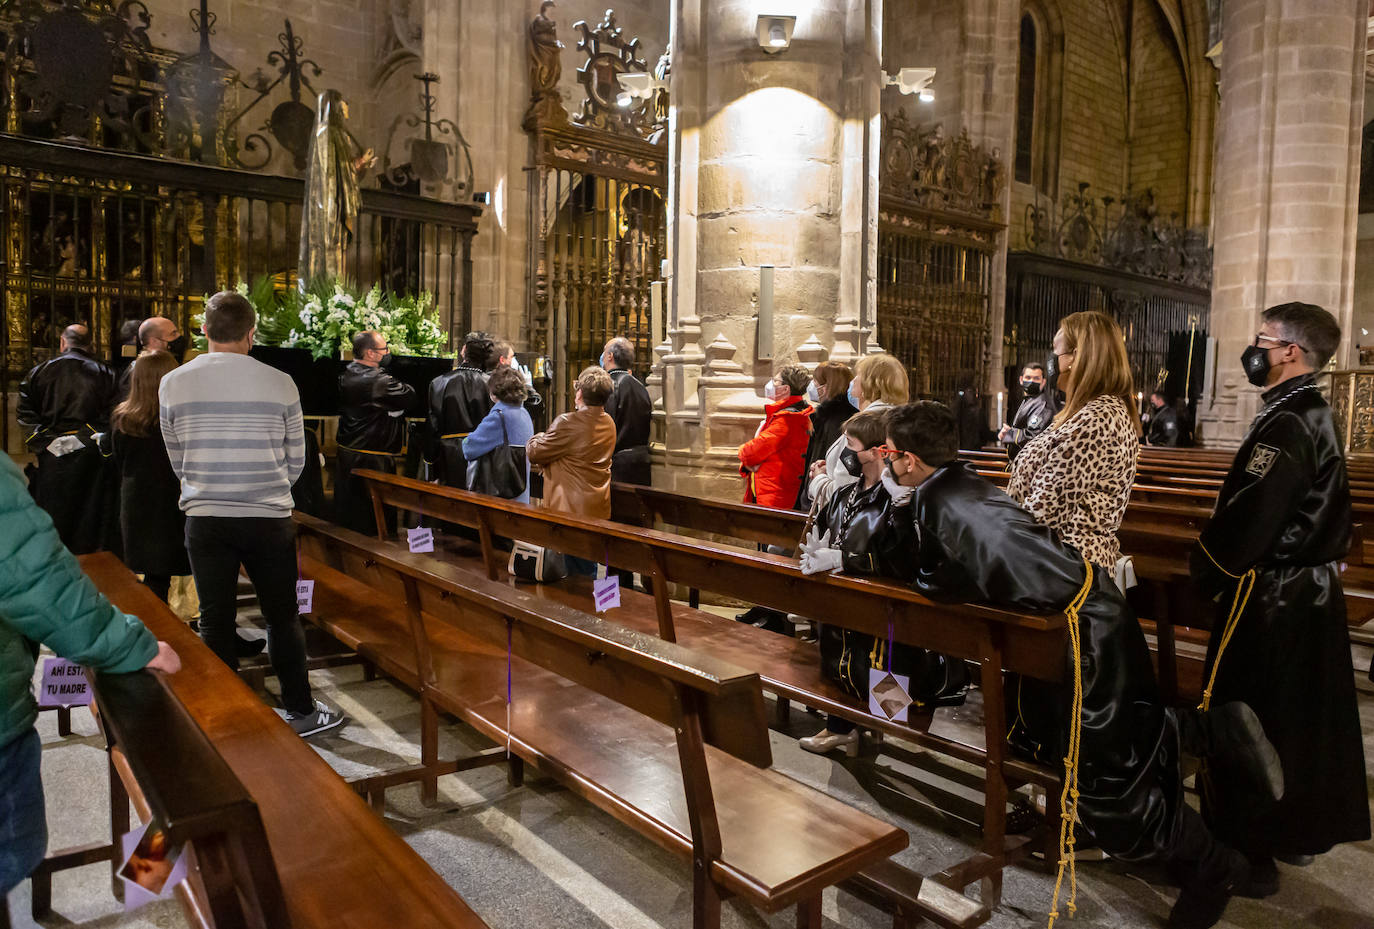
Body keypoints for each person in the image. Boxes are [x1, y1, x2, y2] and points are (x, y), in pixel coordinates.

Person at [881, 401, 1282, 929]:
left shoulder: (947, 502)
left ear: (908, 460)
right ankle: (1205, 731)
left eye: (888, 453)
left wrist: (929, 573)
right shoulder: (953, 486)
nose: (886, 462)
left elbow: (970, 566)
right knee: (1099, 748)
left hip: (1082, 629)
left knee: (1107, 777)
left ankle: (1216, 867)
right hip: (1086, 614)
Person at [1190, 302, 1369, 898]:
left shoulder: (1291, 419)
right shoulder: (1304, 410)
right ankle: (1288, 827)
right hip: (1303, 593)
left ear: (1291, 351)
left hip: (1274, 594)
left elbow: (1252, 516)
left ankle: (1249, 848)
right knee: (1295, 719)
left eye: (1263, 339)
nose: (1255, 349)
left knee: (1250, 715)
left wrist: (1207, 567)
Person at [159, 291, 344, 738]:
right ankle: (300, 710)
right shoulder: (279, 382)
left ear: (204, 331)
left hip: (205, 517)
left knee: (215, 620)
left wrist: (208, 483)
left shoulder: (174, 381)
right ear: (251, 333)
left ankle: (227, 716)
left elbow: (175, 455)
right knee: (281, 616)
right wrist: (267, 485)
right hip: (268, 517)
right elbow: (297, 458)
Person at [0, 453, 181, 903]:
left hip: (133, 521)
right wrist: (125, 644)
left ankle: (138, 880)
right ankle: (144, 880)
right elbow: (38, 581)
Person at [1006, 311, 1141, 575]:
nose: (1052, 362)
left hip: (1063, 566)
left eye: (1056, 353)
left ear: (1077, 358)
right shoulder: (1090, 412)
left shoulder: (1096, 420)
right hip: (1053, 559)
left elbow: (1044, 513)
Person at [17, 323, 119, 554]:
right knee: (89, 515)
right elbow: (114, 412)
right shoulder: (106, 373)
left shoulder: (38, 372)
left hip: (53, 456)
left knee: (55, 513)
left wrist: (45, 442)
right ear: (90, 344)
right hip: (90, 453)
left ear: (63, 342)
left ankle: (55, 558)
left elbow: (25, 413)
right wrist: (83, 437)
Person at [526, 366, 616, 576]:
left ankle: (580, 608)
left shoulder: (568, 422)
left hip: (569, 510)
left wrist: (536, 436)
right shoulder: (609, 422)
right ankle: (590, 607)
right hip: (596, 507)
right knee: (587, 566)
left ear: (580, 393)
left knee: (572, 574)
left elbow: (535, 453)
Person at [805, 353, 909, 511]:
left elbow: (842, 493)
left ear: (870, 384)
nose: (852, 381)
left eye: (858, 375)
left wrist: (819, 478)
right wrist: (832, 468)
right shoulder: (902, 423)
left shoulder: (863, 428)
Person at [335, 330, 415, 535]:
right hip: (373, 458)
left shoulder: (346, 374)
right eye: (384, 349)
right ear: (370, 353)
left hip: (348, 454)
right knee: (374, 522)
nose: (388, 352)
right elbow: (409, 396)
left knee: (350, 518)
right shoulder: (380, 381)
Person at [739, 364, 813, 508]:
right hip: (779, 490)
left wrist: (748, 460)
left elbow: (749, 452)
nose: (770, 384)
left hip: (775, 495)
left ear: (786, 389)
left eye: (775, 381)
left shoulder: (787, 419)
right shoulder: (800, 412)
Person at [427, 331, 495, 489]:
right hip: (483, 455)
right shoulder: (492, 384)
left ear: (464, 350)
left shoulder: (439, 383)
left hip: (448, 456)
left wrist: (430, 465)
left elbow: (432, 426)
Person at [463, 365, 535, 504]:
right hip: (520, 492)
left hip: (500, 495)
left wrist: (465, 439)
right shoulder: (524, 413)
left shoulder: (499, 417)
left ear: (494, 392)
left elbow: (469, 448)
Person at [795, 361, 855, 510]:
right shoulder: (826, 417)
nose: (812, 386)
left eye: (814, 382)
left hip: (822, 499)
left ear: (825, 387)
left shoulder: (837, 421)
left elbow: (829, 461)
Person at [600, 337, 652, 487]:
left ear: (609, 356)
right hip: (641, 463)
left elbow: (605, 428)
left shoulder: (609, 386)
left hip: (617, 467)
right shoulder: (640, 386)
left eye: (604, 352)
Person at [116, 316, 189, 401]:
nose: (179, 337)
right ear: (154, 342)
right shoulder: (139, 371)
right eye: (173, 334)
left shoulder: (172, 365)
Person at [998, 362, 1059, 460]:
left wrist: (1009, 434)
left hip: (1031, 462)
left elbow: (1033, 435)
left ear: (1043, 382)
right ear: (1021, 380)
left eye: (1036, 378)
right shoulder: (1031, 399)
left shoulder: (1043, 405)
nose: (1031, 381)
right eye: (1028, 377)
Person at [494, 339, 544, 423]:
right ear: (502, 360)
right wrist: (528, 387)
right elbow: (533, 410)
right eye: (512, 357)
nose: (514, 360)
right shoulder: (501, 383)